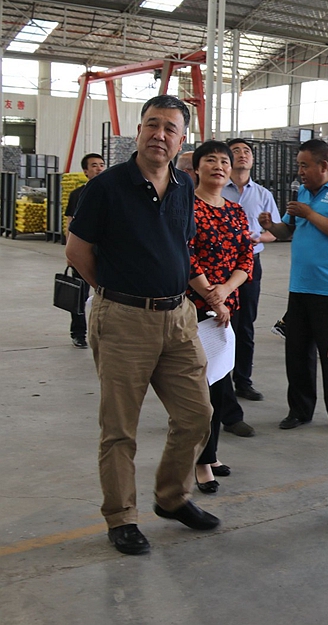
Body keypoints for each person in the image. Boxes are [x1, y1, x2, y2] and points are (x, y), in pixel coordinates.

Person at [65, 95, 220, 556]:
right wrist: (113, 293)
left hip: (179, 318)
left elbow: (180, 247)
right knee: (120, 428)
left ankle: (172, 498)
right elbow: (76, 251)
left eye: (170, 128)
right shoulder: (107, 187)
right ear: (138, 131)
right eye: (152, 124)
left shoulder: (184, 186)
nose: (159, 134)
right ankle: (122, 517)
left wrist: (203, 293)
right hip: (124, 320)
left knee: (197, 415)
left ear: (181, 140)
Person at [259, 139, 328, 433]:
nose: (300, 171)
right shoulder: (303, 192)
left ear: (323, 166)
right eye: (299, 165)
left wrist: (310, 214)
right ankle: (299, 411)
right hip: (300, 287)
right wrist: (270, 225)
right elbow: (287, 230)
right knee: (297, 353)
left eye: (304, 165)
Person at [186, 140, 254, 493]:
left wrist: (225, 291)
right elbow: (184, 256)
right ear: (197, 168)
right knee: (202, 388)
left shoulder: (235, 211)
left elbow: (246, 257)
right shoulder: (186, 207)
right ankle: (201, 461)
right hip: (196, 310)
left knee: (220, 382)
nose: (219, 166)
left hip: (229, 309)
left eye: (224, 162)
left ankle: (210, 454)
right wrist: (212, 296)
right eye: (210, 160)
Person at [223, 138, 281, 402]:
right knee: (219, 322)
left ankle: (243, 380)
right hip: (220, 264)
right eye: (236, 151)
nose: (242, 155)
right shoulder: (217, 189)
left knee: (245, 323)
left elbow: (275, 232)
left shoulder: (262, 194)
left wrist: (258, 237)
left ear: (253, 160)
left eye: (246, 151)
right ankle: (218, 381)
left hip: (249, 263)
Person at [64, 152, 106, 348]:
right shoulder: (78, 194)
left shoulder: (111, 192)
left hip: (104, 253)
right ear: (85, 171)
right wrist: (69, 251)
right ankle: (78, 333)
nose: (99, 168)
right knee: (79, 295)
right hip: (83, 252)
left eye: (101, 164)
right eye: (94, 165)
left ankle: (104, 333)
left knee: (106, 296)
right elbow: (70, 223)